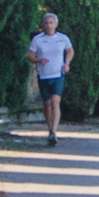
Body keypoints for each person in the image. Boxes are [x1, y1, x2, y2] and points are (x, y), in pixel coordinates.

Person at [28, 13, 74, 147]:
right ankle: (50, 130)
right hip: (43, 75)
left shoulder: (62, 38)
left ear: (56, 24)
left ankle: (54, 132)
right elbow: (30, 55)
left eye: (51, 23)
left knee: (55, 102)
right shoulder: (38, 40)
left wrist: (67, 63)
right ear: (43, 25)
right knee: (47, 105)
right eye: (46, 23)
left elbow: (70, 51)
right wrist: (38, 60)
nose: (49, 25)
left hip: (58, 75)